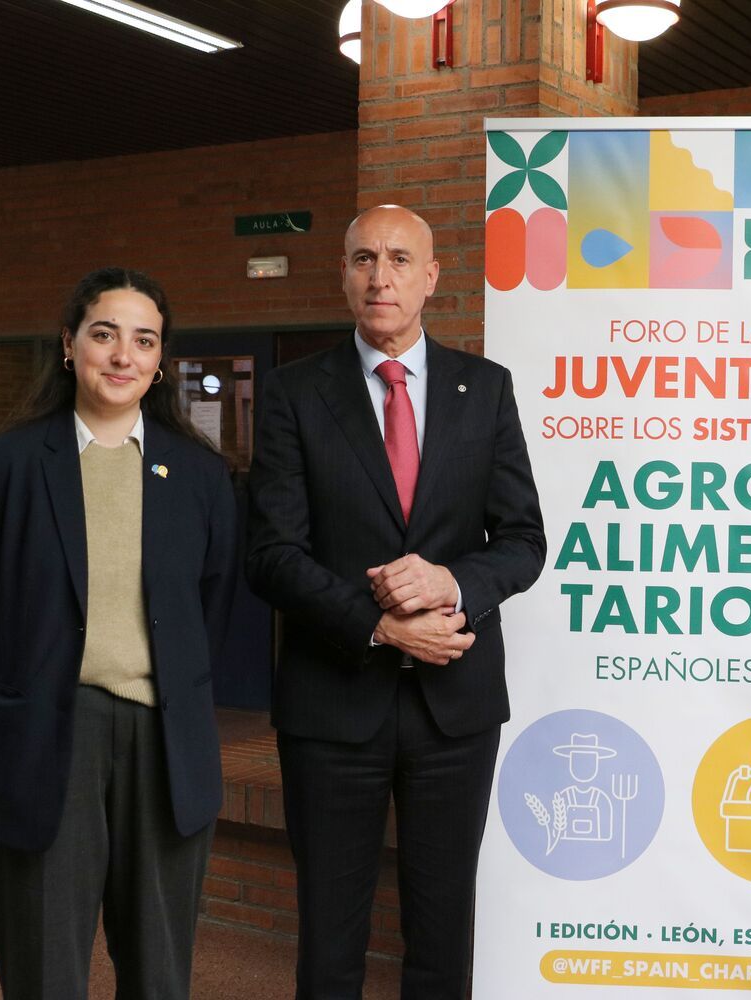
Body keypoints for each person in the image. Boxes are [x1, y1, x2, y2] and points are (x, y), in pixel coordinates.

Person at [245, 204, 546, 999]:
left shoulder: (484, 389)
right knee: (331, 933)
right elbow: (271, 555)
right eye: (364, 259)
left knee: (444, 931)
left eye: (401, 260)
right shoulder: (292, 394)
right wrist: (379, 627)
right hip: (332, 706)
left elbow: (523, 540)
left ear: (431, 278)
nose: (382, 276)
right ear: (343, 275)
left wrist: (453, 584)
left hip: (457, 708)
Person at [0, 268, 239, 999]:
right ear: (69, 345)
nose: (122, 355)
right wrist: (19, 691)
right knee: (46, 969)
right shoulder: (3, 466)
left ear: (161, 361)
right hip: (47, 736)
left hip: (164, 745)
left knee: (160, 971)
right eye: (104, 334)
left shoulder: (200, 475)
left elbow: (212, 608)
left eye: (144, 340)